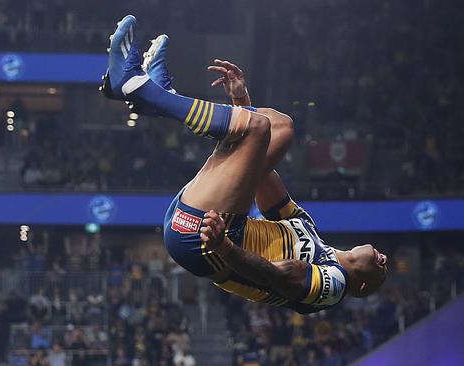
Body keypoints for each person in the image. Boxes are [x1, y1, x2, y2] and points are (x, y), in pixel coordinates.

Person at [101, 15, 388, 314]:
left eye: (383, 273)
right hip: (215, 220)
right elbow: (259, 173)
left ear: (364, 286)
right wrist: (242, 104)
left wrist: (224, 247)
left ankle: (141, 89)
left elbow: (282, 277)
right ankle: (158, 98)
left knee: (259, 129)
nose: (385, 261)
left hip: (208, 243)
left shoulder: (336, 286)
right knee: (281, 127)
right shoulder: (310, 231)